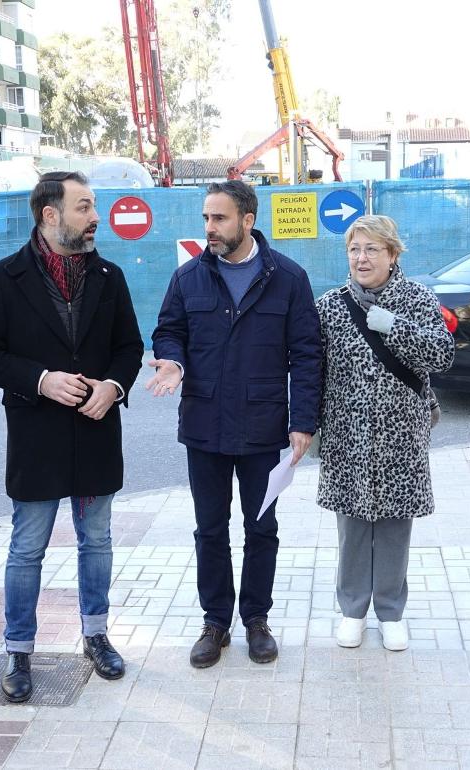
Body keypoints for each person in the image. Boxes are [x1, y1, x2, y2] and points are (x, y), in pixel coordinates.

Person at [0, 171, 143, 702]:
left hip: (95, 432)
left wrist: (113, 386)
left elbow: (130, 347)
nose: (95, 218)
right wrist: (41, 380)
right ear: (50, 215)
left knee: (98, 542)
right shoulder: (4, 277)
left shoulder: (109, 276)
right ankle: (18, 649)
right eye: (84, 207)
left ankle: (96, 635)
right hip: (37, 436)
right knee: (27, 549)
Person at [147, 179, 322, 668]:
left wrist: (303, 421)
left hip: (264, 427)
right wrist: (173, 361)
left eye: (219, 218)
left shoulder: (288, 278)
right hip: (203, 424)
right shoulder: (189, 279)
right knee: (210, 528)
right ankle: (215, 622)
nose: (210, 228)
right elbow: (169, 330)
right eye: (206, 218)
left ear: (248, 220)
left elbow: (306, 354)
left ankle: (256, 620)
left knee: (261, 527)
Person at [314, 215, 454, 651]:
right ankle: (352, 610)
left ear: (393, 255)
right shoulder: (331, 306)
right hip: (347, 437)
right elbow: (311, 370)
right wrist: (309, 426)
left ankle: (391, 610)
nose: (362, 257)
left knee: (395, 526)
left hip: (400, 437)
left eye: (372, 249)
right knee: (352, 526)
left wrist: (394, 326)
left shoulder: (417, 299)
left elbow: (442, 354)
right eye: (355, 249)